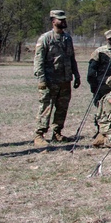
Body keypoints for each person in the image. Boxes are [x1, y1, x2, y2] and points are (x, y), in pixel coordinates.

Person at [33, 9, 81, 146]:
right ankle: (39, 134)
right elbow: (38, 61)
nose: (63, 21)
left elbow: (72, 58)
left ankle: (57, 133)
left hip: (65, 80)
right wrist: (41, 80)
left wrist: (76, 75)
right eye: (60, 19)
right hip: (50, 81)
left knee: (62, 107)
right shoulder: (45, 38)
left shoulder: (68, 38)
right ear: (53, 21)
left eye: (64, 19)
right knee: (46, 107)